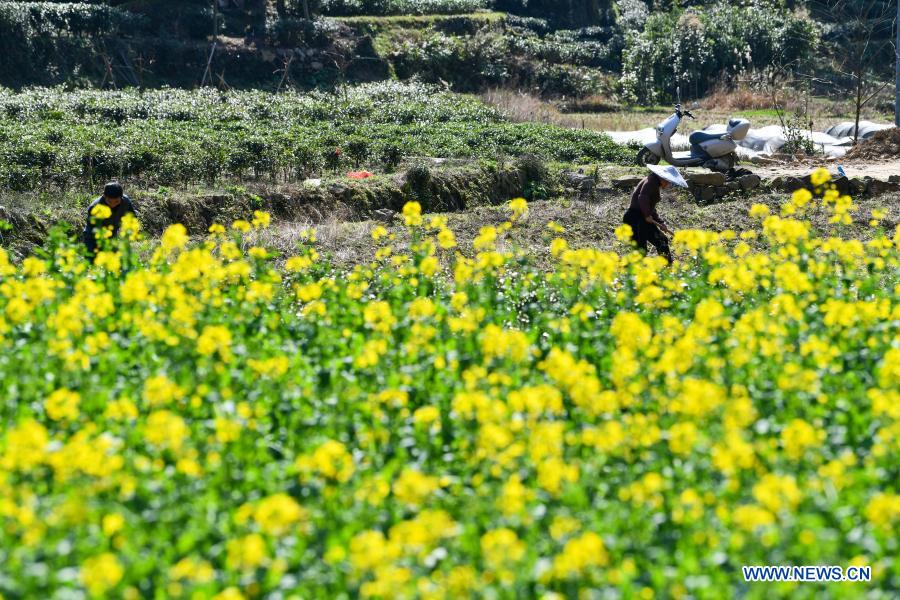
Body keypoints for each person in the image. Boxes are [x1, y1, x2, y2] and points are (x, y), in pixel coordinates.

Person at [622, 165, 687, 264]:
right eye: (668, 181)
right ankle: (633, 273)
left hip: (643, 217)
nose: (668, 183)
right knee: (640, 250)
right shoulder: (651, 182)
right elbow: (642, 198)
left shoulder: (654, 182)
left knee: (662, 240)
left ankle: (667, 267)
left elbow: (650, 207)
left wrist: (661, 222)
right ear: (662, 178)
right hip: (635, 218)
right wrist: (647, 215)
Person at [83, 181, 138, 256]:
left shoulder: (126, 202)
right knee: (92, 260)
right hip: (92, 236)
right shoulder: (95, 207)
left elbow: (132, 217)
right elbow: (94, 228)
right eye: (109, 201)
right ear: (104, 196)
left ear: (121, 197)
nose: (113, 205)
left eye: (116, 201)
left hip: (112, 233)